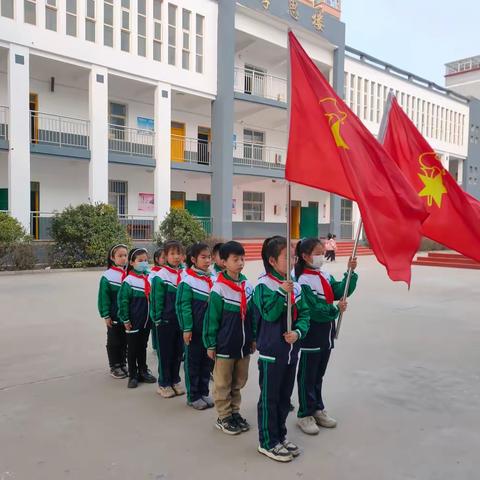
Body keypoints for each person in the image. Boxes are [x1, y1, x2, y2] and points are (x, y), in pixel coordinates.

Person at [254, 236, 310, 462]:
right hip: (271, 353)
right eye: (287, 257)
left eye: (294, 256)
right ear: (272, 260)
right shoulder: (263, 285)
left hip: (291, 352)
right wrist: (280, 293)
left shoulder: (296, 286)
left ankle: (280, 436)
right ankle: (267, 442)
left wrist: (298, 333)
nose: (292, 260)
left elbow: (304, 315)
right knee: (270, 398)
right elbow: (268, 313)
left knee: (285, 398)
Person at [294, 238, 357, 435]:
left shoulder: (323, 274)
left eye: (323, 251)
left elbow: (339, 290)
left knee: (319, 373)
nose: (322, 256)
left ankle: (317, 408)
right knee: (307, 375)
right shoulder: (301, 280)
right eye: (318, 252)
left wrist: (350, 272)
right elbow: (313, 309)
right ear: (305, 256)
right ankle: (304, 413)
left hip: (326, 333)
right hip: (311, 333)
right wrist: (334, 309)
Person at [203, 241, 256, 435]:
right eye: (236, 259)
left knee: (239, 381)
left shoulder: (247, 285)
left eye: (242, 259)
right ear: (223, 262)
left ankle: (235, 412)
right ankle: (223, 416)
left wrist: (253, 337)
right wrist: (211, 344)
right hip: (225, 345)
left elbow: (252, 315)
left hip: (243, 345)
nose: (240, 263)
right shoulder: (219, 289)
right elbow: (212, 320)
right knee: (223, 382)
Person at [176, 242, 214, 410]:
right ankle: (193, 396)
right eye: (203, 257)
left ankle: (204, 392)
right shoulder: (188, 281)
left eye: (209, 257)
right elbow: (183, 306)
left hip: (208, 331)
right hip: (194, 331)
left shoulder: (212, 278)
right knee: (193, 363)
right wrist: (187, 328)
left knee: (206, 363)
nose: (208, 261)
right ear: (193, 259)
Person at [117, 248, 157, 389]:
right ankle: (133, 375)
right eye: (140, 260)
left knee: (143, 346)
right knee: (133, 349)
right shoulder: (129, 281)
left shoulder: (150, 278)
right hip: (133, 322)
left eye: (146, 260)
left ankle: (143, 371)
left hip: (146, 321)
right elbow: (123, 302)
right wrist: (126, 319)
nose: (144, 263)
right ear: (132, 263)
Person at [150, 240, 186, 398]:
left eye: (179, 253)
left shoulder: (185, 275)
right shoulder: (160, 277)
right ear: (165, 256)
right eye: (172, 254)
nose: (176, 257)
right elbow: (157, 300)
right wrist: (157, 318)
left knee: (178, 352)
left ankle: (175, 380)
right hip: (165, 321)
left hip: (181, 322)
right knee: (165, 353)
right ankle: (163, 383)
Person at [97, 244, 129, 379]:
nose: (123, 258)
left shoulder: (129, 274)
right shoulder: (107, 276)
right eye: (120, 256)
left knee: (125, 340)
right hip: (114, 315)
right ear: (112, 258)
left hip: (127, 317)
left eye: (125, 255)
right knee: (114, 341)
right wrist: (106, 315)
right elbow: (103, 298)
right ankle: (114, 365)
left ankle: (122, 363)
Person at [148, 246, 165, 352]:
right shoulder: (153, 273)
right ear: (157, 260)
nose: (165, 259)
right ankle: (156, 345)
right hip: (154, 300)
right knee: (155, 325)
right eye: (163, 257)